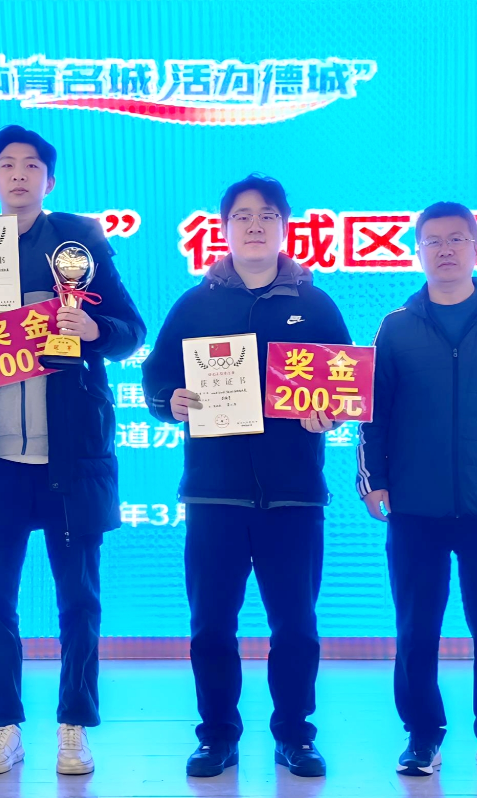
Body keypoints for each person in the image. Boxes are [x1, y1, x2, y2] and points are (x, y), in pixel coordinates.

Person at [0, 126, 146, 776]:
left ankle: (74, 726)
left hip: (69, 460)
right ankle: (3, 727)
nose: (18, 175)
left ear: (49, 180)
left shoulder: (79, 241)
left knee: (78, 600)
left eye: (31, 165)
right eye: (6, 165)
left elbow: (131, 331)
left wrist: (93, 328)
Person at [141, 175, 348, 779]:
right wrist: (170, 401)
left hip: (294, 496)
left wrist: (331, 412)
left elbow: (344, 385)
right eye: (242, 216)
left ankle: (295, 736)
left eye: (266, 216)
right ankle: (216, 737)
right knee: (211, 626)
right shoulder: (195, 304)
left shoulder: (316, 305)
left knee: (296, 627)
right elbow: (156, 377)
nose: (254, 225)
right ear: (225, 228)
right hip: (214, 494)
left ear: (284, 226)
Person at [357, 201, 477, 778]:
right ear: (418, 251)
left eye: (456, 239)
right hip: (414, 506)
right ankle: (422, 737)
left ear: (475, 247)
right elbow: (373, 413)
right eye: (433, 241)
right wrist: (372, 480)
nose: (445, 250)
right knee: (417, 629)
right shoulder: (396, 326)